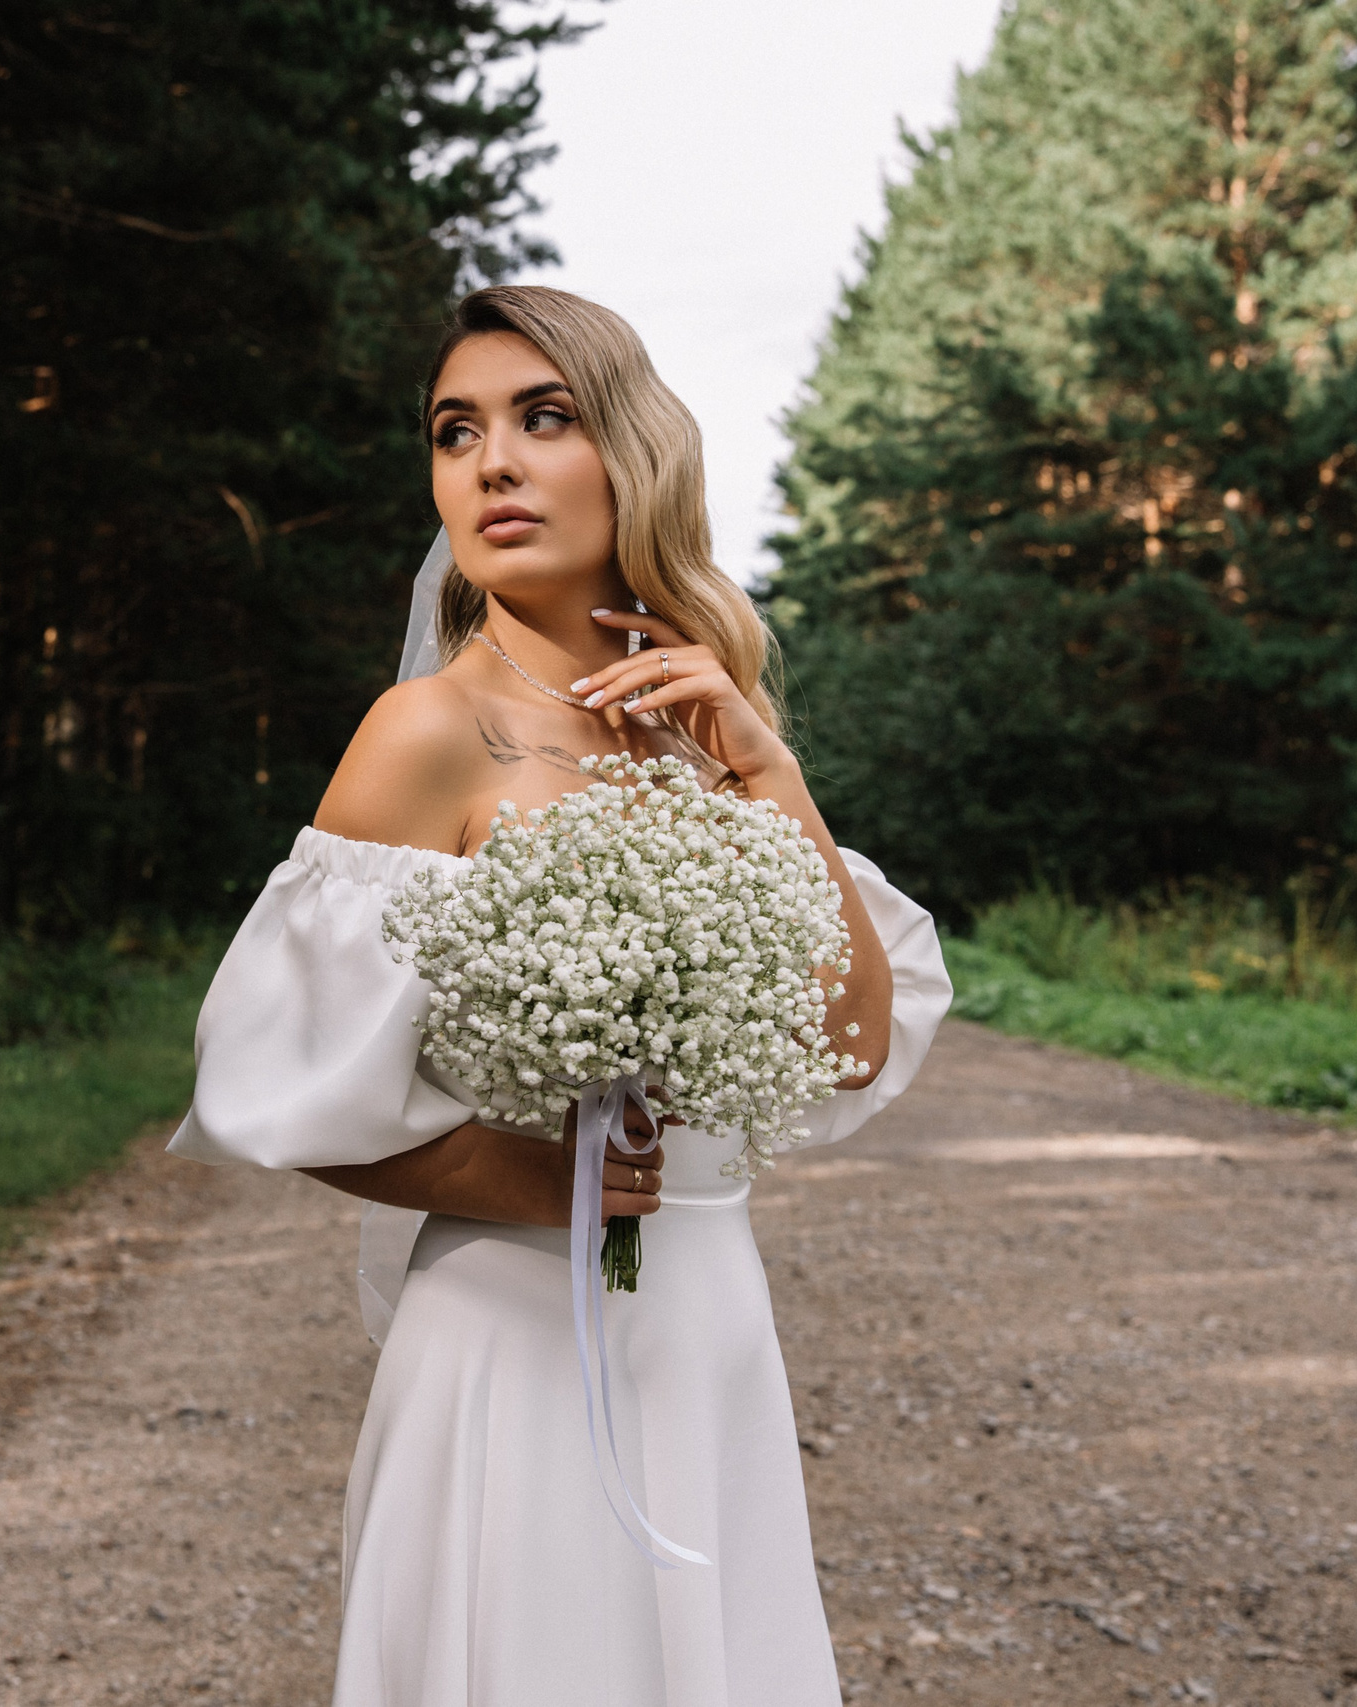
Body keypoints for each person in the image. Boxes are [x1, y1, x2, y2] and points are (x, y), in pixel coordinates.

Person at [168, 285, 953, 1706]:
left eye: (545, 418)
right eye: (455, 432)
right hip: (511, 1331)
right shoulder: (428, 733)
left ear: (630, 453)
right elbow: (259, 1089)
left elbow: (848, 1047)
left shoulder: (707, 730)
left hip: (708, 1313)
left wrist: (769, 771)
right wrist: (512, 1175)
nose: (492, 464)